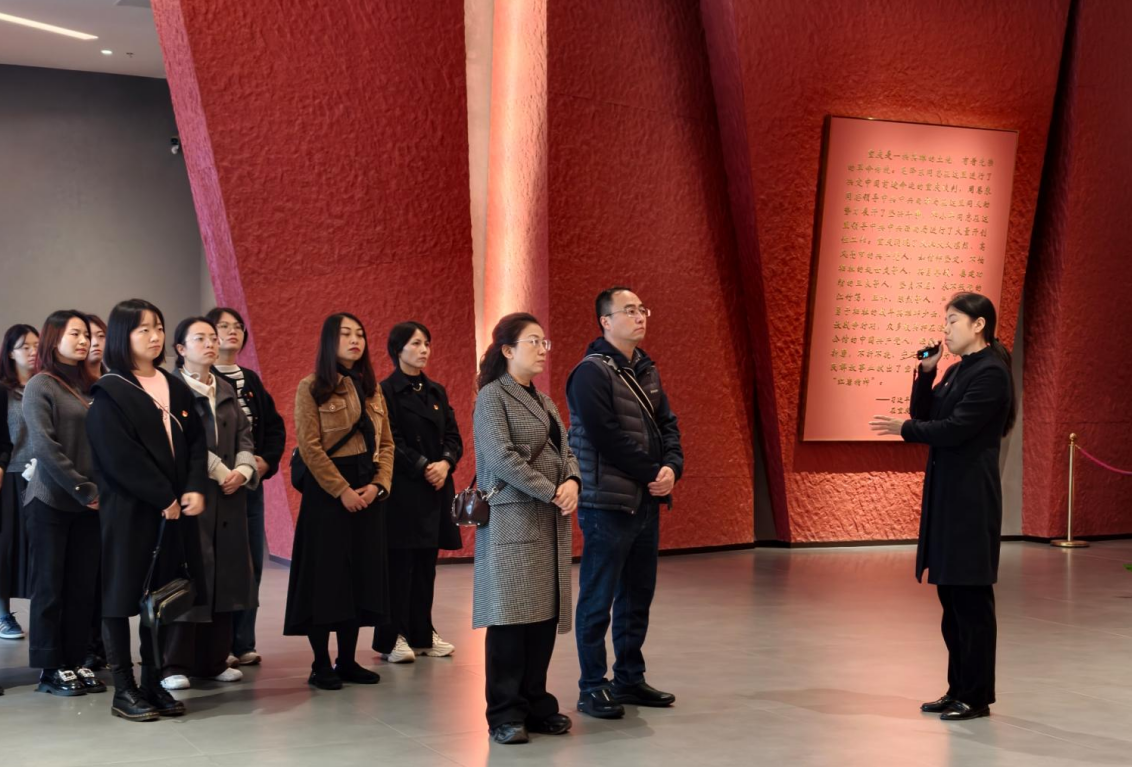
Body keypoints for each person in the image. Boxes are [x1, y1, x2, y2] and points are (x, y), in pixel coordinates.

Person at [869, 292, 1015, 722]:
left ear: (978, 325)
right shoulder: (956, 370)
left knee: (971, 602)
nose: (946, 329)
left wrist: (905, 428)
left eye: (953, 321)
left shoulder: (992, 374)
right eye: (945, 321)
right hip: (948, 495)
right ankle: (957, 690)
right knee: (951, 601)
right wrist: (927, 372)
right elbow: (927, 413)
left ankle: (977, 696)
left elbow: (953, 429)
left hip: (971, 501)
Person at [86, 298, 208, 721]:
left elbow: (196, 442)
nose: (155, 336)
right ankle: (124, 689)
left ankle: (154, 683)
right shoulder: (110, 391)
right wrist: (164, 497)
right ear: (124, 336)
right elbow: (119, 457)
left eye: (158, 327)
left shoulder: (174, 385)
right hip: (130, 512)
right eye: (144, 329)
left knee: (162, 599)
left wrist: (193, 487)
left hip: (173, 511)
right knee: (119, 598)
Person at [567, 287, 683, 719]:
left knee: (637, 596)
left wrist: (672, 467)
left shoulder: (646, 369)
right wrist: (653, 471)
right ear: (605, 321)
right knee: (598, 598)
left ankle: (629, 679)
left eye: (642, 309)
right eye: (629, 310)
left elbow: (668, 425)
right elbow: (605, 437)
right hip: (607, 505)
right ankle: (592, 686)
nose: (639, 317)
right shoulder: (590, 373)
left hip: (645, 502)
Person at [473, 312, 580, 745]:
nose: (541, 349)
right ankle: (504, 713)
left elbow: (567, 450)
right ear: (507, 350)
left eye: (543, 342)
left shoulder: (545, 400)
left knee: (542, 619)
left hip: (548, 520)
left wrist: (572, 481)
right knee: (510, 619)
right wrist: (552, 490)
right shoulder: (491, 397)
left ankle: (536, 704)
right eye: (532, 341)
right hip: (512, 519)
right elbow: (501, 457)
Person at [284, 312, 393, 690]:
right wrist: (342, 490)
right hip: (327, 494)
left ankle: (347, 660)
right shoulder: (311, 386)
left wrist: (378, 486)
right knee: (326, 579)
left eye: (359, 334)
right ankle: (320, 664)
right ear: (329, 341)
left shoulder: (373, 389)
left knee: (360, 576)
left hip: (368, 489)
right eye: (345, 334)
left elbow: (387, 444)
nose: (355, 340)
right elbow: (310, 447)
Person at [162, 317, 258, 690]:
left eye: (213, 338)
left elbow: (245, 435)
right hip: (195, 492)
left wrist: (244, 471)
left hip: (231, 497)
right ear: (181, 349)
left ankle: (214, 660)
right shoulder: (171, 389)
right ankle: (173, 664)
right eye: (200, 338)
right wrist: (220, 471)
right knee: (191, 575)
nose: (211, 344)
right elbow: (182, 441)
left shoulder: (226, 387)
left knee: (226, 576)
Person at [22, 310, 105, 697]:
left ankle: (75, 660)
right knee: (50, 587)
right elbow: (44, 446)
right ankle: (49, 667)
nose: (85, 341)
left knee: (82, 588)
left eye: (87, 334)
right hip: (51, 501)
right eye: (75, 334)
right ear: (54, 339)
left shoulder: (93, 386)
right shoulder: (41, 384)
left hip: (92, 504)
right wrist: (84, 490)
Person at [372, 321, 462, 664]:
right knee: (399, 568)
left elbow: (453, 436)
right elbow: (390, 439)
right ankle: (391, 637)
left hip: (436, 489)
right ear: (398, 350)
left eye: (427, 343)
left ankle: (422, 634)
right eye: (415, 344)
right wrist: (425, 465)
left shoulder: (436, 391)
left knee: (426, 567)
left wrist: (446, 463)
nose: (424, 350)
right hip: (404, 490)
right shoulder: (385, 391)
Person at [207, 306, 286, 668]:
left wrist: (265, 461)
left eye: (237, 326)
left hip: (250, 484)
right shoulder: (201, 377)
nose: (232, 332)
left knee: (251, 562)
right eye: (223, 326)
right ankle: (217, 644)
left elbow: (274, 427)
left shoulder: (250, 379)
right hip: (214, 485)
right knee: (218, 563)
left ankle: (243, 642)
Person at [0, 324, 38, 643]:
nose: (33, 351)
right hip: (10, 474)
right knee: (7, 545)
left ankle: (43, 612)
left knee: (39, 546)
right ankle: (3, 614)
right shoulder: (3, 390)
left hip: (43, 474)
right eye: (25, 346)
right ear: (10, 353)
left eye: (37, 345)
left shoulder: (45, 385)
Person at [82, 313, 109, 670]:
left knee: (107, 575)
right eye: (88, 336)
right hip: (80, 488)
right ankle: (85, 645)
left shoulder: (114, 381)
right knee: (82, 574)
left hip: (112, 488)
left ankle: (102, 645)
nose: (94, 343)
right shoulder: (66, 384)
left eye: (101, 335)